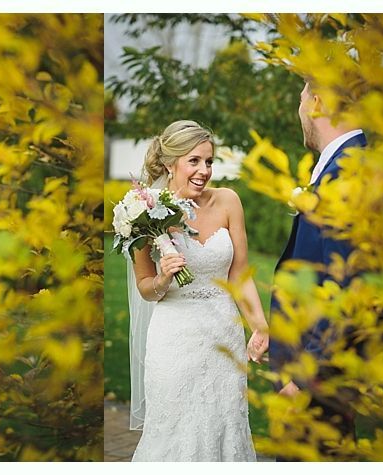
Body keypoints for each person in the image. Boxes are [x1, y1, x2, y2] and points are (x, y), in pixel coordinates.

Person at [126, 120, 269, 461]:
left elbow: (240, 274)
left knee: (227, 427)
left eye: (209, 161)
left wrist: (260, 326)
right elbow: (146, 287)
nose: (204, 171)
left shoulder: (228, 201)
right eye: (194, 161)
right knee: (175, 432)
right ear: (169, 164)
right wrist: (163, 279)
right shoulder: (142, 212)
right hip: (174, 339)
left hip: (224, 336)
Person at [269, 80, 367, 458]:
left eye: (300, 101)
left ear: (317, 103)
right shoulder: (341, 167)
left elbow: (348, 291)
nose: (299, 112)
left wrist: (302, 381)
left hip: (319, 384)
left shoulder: (346, 175)